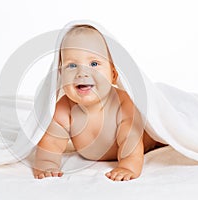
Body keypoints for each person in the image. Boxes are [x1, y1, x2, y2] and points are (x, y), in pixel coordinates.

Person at [33, 24, 166, 181]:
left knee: (167, 127)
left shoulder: (123, 104)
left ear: (113, 74)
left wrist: (128, 166)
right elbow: (52, 142)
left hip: (151, 138)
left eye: (94, 64)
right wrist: (47, 164)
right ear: (60, 74)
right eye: (72, 65)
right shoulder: (65, 108)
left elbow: (131, 140)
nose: (82, 73)